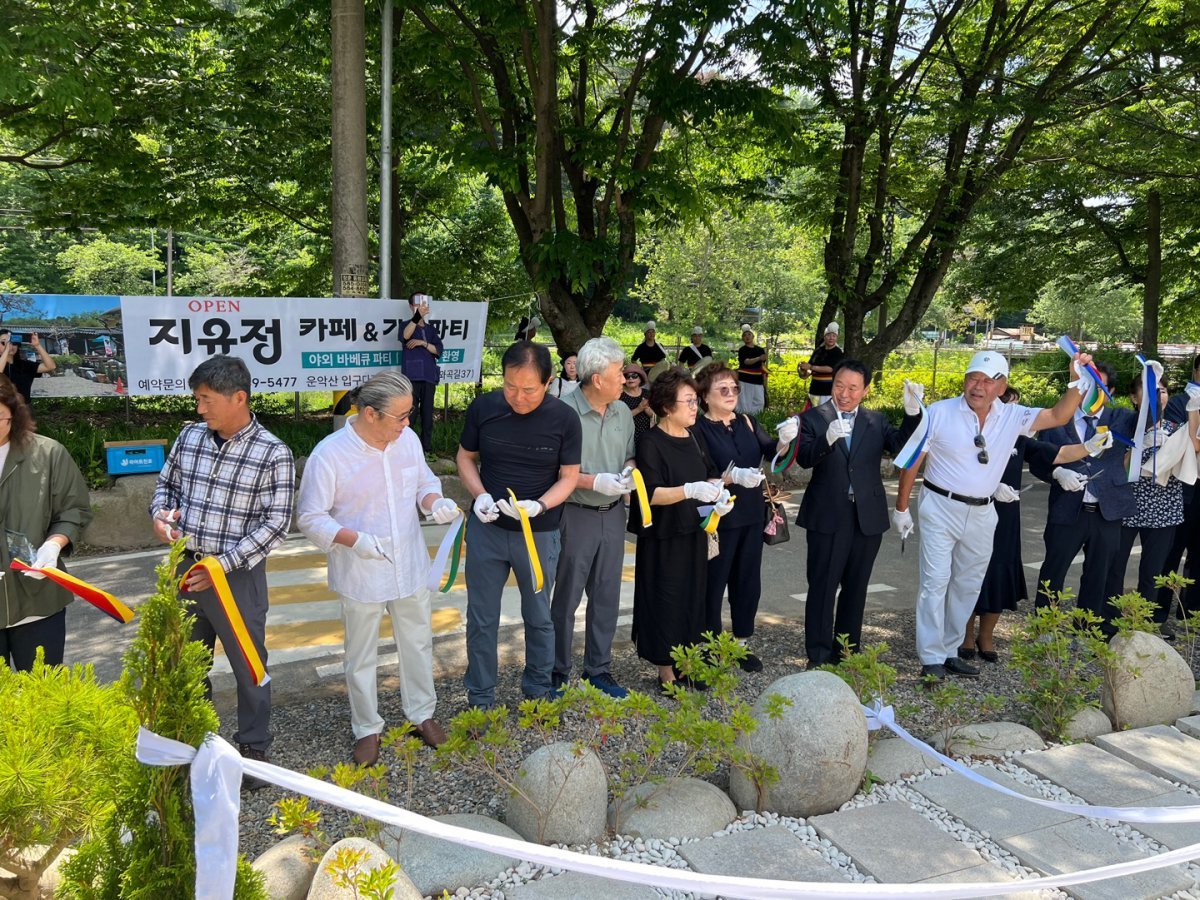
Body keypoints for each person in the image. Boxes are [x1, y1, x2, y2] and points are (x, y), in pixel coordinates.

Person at [894, 348, 1097, 683]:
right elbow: (913, 459)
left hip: (983, 510)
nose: (979, 386)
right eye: (973, 377)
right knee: (936, 581)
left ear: (1002, 387)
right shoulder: (939, 412)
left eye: (988, 380)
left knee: (968, 584)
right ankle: (930, 657)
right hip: (940, 505)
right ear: (964, 379)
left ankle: (949, 650)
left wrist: (1079, 379)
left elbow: (1059, 415)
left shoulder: (1013, 415)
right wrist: (901, 508)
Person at [296, 372, 460, 765]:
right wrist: (355, 540)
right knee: (360, 654)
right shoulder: (330, 454)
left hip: (409, 562)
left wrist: (433, 502)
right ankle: (366, 727)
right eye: (400, 417)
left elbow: (424, 482)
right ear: (370, 413)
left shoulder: (408, 441)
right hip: (360, 569)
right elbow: (310, 517)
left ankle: (422, 713)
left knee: (418, 642)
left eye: (410, 414)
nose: (408, 423)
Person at [150, 355, 295, 773]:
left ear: (239, 398)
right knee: (186, 660)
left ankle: (253, 747)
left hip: (237, 575)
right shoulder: (189, 438)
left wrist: (221, 564)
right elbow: (167, 487)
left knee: (249, 663)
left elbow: (276, 523)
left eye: (207, 399)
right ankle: (194, 739)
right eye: (197, 399)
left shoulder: (272, 452)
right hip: (185, 569)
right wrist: (161, 517)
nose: (200, 408)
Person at [457, 341, 581, 708]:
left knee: (540, 616)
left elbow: (570, 476)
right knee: (481, 618)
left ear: (549, 382)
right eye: (510, 386)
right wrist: (478, 494)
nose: (518, 397)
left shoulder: (564, 418)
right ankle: (479, 698)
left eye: (529, 389)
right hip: (488, 529)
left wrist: (540, 504)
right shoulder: (484, 408)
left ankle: (538, 692)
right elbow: (465, 457)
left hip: (538, 533)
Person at [960, 387, 1103, 662]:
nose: (1016, 413)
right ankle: (964, 633)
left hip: (1007, 514)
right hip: (975, 509)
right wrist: (991, 487)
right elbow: (959, 468)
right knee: (972, 570)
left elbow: (1051, 454)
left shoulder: (1018, 437)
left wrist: (1082, 452)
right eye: (1010, 405)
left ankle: (986, 634)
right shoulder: (975, 435)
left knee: (1000, 569)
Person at [794, 360, 920, 667]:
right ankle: (819, 654)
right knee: (823, 586)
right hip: (827, 514)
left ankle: (847, 650)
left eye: (853, 388)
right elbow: (805, 458)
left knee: (856, 585)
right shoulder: (813, 418)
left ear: (865, 390)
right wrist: (827, 440)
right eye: (839, 385)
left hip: (866, 515)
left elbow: (901, 448)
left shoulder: (875, 421)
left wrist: (912, 415)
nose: (844, 393)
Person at [629, 368, 726, 689]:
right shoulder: (651, 442)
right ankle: (665, 670)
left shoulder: (695, 436)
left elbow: (711, 473)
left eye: (695, 400)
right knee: (664, 600)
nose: (695, 406)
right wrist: (689, 490)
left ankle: (686, 662)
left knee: (691, 599)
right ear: (667, 406)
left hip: (694, 532)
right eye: (688, 401)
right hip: (663, 537)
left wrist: (720, 492)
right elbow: (650, 493)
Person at [550, 337, 636, 698]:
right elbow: (552, 469)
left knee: (606, 596)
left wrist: (629, 473)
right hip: (575, 512)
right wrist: (593, 480)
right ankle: (555, 670)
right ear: (598, 378)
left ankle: (598, 669)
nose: (627, 380)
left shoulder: (623, 412)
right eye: (619, 373)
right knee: (566, 597)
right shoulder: (561, 412)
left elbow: (630, 455)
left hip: (614, 514)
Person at [694, 363, 793, 671]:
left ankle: (740, 644)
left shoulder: (747, 421)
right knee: (713, 582)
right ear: (705, 396)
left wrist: (785, 440)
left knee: (747, 581)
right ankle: (710, 644)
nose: (730, 394)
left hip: (751, 515)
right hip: (718, 518)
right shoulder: (698, 428)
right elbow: (699, 473)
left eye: (734, 388)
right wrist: (730, 477)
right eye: (722, 389)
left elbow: (771, 453)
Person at [1030, 361, 1136, 630]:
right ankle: (1045, 627)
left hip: (1106, 511)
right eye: (1086, 385)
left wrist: (1150, 387)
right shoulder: (1057, 420)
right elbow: (1039, 461)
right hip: (1068, 510)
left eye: (1098, 387)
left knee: (1098, 573)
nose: (1090, 392)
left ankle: (1086, 627)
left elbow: (1149, 418)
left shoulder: (1120, 418)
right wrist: (1057, 474)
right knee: (1053, 570)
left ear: (1109, 390)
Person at [0, 378, 91, 671]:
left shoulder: (48, 453)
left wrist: (54, 545)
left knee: (43, 697)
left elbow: (73, 510)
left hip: (37, 602)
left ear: (13, 412)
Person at [1105, 374, 1200, 628]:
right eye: (1150, 392)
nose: (1160, 396)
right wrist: (1136, 447)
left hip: (1164, 508)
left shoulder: (1176, 429)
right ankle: (1109, 621)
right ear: (1135, 399)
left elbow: (1194, 454)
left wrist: (1192, 413)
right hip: (1126, 506)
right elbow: (1114, 468)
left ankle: (1145, 624)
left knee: (1153, 572)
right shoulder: (1122, 427)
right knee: (1115, 567)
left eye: (1163, 390)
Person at [1159, 353, 1200, 620]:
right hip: (1182, 491)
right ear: (1196, 370)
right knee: (1170, 553)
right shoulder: (1178, 403)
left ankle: (1191, 613)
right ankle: (1158, 614)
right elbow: (1184, 443)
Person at [401, 292, 444, 453]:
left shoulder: (431, 330)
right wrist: (416, 318)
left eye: (423, 303)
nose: (420, 306)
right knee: (408, 415)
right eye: (417, 303)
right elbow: (405, 336)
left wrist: (423, 343)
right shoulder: (406, 325)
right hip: (411, 378)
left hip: (429, 377)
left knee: (427, 416)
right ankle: (406, 450)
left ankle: (426, 450)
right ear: (411, 306)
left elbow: (438, 349)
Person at [0, 330, 56, 404]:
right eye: (4, 342)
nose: (10, 345)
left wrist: (38, 346)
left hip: (23, 410)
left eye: (13, 342)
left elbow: (50, 366)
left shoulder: (25, 365)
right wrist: (6, 350)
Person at [798, 323, 844, 407]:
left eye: (834, 336)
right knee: (814, 416)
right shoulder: (818, 351)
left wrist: (811, 367)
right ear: (824, 337)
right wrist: (804, 372)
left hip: (829, 392)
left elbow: (830, 369)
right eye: (828, 335)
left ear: (836, 338)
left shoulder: (837, 352)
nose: (831, 338)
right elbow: (810, 368)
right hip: (815, 390)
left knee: (827, 417)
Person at [735, 325, 768, 415]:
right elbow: (746, 362)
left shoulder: (760, 349)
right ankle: (743, 420)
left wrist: (764, 379)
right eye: (745, 335)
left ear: (753, 336)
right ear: (743, 338)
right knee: (744, 403)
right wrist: (758, 358)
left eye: (749, 334)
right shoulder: (742, 350)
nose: (747, 336)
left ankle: (755, 420)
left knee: (760, 402)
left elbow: (763, 365)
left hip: (758, 379)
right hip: (745, 379)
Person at [619, 363, 653, 446]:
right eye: (627, 376)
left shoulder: (647, 394)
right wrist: (639, 409)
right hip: (627, 437)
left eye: (634, 376)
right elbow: (619, 418)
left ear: (640, 378)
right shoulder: (619, 395)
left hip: (646, 436)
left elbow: (655, 416)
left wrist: (648, 411)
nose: (630, 378)